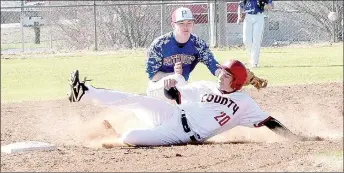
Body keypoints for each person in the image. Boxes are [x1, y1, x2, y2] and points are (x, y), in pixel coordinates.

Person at [68, 59, 322, 148]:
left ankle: (116, 135)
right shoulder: (204, 86)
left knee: (132, 137)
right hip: (172, 115)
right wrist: (169, 91)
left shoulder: (244, 102)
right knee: (136, 101)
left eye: (226, 74)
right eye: (222, 70)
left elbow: (269, 122)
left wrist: (294, 138)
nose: (220, 74)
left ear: (236, 82)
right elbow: (177, 98)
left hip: (180, 134)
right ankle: (85, 91)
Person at [145, 7, 221, 101]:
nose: (186, 26)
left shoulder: (197, 44)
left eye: (189, 23)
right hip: (158, 88)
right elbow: (152, 75)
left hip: (181, 87)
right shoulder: (160, 44)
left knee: (208, 89)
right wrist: (174, 74)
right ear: (173, 25)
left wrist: (222, 74)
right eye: (181, 23)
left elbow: (211, 63)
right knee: (179, 80)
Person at [237, 0, 273, 68]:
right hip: (248, 16)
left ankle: (254, 62)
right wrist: (239, 17)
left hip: (259, 16)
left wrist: (267, 6)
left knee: (257, 40)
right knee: (246, 40)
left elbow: (270, 5)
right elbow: (240, 5)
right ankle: (251, 58)